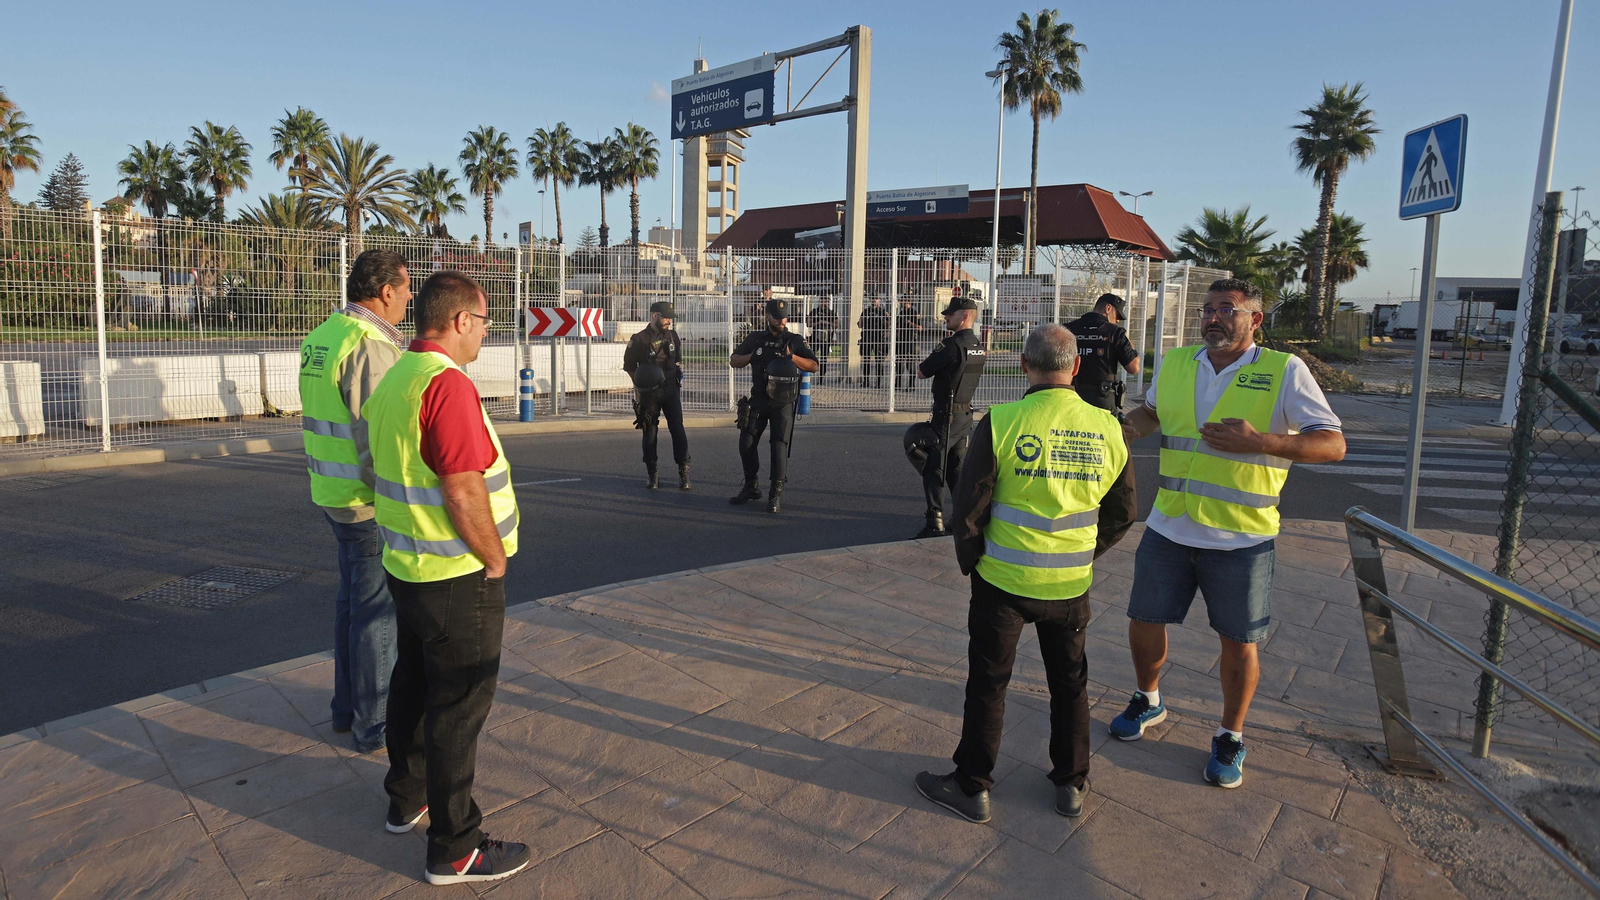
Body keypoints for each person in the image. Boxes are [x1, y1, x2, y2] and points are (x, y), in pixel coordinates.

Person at [1112, 277, 1345, 789]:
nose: (1213, 317)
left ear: (1255, 320)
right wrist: (1115, 432)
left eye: (1227, 309)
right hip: (1169, 526)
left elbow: (1332, 445)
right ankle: (1148, 699)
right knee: (1144, 621)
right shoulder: (1177, 363)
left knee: (1239, 643)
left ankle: (1230, 735)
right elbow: (1151, 414)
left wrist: (1260, 442)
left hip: (1241, 538)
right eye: (1207, 309)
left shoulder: (1284, 370)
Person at [915, 324, 1135, 824]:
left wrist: (973, 563)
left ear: (1022, 366)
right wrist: (1082, 551)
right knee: (1070, 684)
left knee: (989, 684)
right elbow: (1123, 513)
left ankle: (973, 785)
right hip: (1070, 585)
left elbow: (969, 506)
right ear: (1076, 367)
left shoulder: (1004, 422)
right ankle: (1071, 783)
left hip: (1003, 582)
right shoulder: (1108, 428)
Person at [364, 270, 529, 886]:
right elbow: (462, 490)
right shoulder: (448, 386)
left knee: (412, 681)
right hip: (457, 572)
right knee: (459, 703)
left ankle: (406, 798)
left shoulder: (397, 379)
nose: (486, 332)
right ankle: (455, 847)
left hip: (407, 567)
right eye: (484, 321)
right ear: (461, 320)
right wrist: (494, 558)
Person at [297, 249, 411, 754]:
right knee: (375, 614)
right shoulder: (371, 348)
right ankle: (375, 723)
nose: (410, 298)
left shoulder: (324, 335)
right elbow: (377, 438)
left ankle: (345, 710)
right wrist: (397, 499)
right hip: (366, 502)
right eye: (406, 288)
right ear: (385, 292)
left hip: (330, 491)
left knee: (350, 604)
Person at [729, 297, 819, 513]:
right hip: (759, 399)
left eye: (784, 317)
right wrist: (754, 355)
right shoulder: (755, 338)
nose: (782, 321)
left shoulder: (794, 340)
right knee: (746, 443)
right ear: (767, 316)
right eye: (777, 318)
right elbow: (734, 360)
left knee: (778, 446)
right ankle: (751, 487)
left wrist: (793, 357)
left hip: (782, 402)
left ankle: (775, 493)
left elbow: (814, 365)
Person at [912, 294, 986, 538]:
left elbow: (922, 372)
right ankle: (962, 518)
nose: (945, 317)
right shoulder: (978, 346)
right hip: (965, 417)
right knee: (956, 469)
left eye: (950, 314)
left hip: (946, 417)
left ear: (964, 316)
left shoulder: (951, 345)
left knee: (934, 467)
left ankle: (935, 522)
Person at [623, 300, 690, 490]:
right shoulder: (638, 339)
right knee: (650, 431)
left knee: (677, 429)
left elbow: (677, 361)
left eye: (670, 318)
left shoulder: (673, 336)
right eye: (666, 317)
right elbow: (629, 367)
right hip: (649, 394)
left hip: (671, 389)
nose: (669, 321)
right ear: (654, 316)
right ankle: (652, 474)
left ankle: (684, 472)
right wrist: (639, 388)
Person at [1064, 293, 1140, 414]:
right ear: (1108, 308)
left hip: (1071, 398)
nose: (1118, 320)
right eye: (1117, 315)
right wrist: (1126, 340)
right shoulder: (1114, 333)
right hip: (1102, 400)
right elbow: (1134, 367)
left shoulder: (1067, 330)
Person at [858, 296, 890, 388]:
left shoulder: (882, 311)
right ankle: (866, 380)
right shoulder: (866, 311)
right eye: (872, 298)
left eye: (876, 298)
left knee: (879, 361)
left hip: (879, 339)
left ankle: (878, 382)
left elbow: (889, 325)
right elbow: (860, 325)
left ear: (878, 300)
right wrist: (862, 319)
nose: (874, 300)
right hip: (867, 338)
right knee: (866, 360)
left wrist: (885, 326)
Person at [894, 297, 925, 389]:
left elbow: (920, 327)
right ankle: (898, 384)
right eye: (902, 301)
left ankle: (911, 385)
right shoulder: (901, 312)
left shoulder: (914, 313)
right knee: (899, 363)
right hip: (900, 340)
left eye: (905, 301)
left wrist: (909, 323)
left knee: (910, 364)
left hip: (910, 341)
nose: (903, 303)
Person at [805, 296, 839, 376]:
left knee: (824, 357)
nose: (825, 302)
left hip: (826, 337)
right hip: (815, 336)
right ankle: (810, 372)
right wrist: (818, 323)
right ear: (820, 301)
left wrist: (828, 323)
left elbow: (836, 325)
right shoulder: (814, 311)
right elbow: (808, 324)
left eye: (827, 301)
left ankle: (822, 375)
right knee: (812, 354)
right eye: (824, 301)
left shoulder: (831, 312)